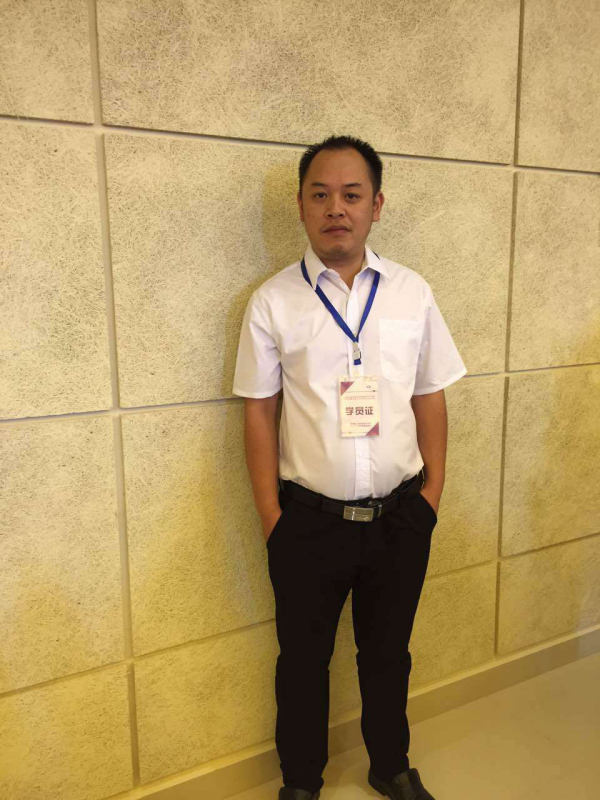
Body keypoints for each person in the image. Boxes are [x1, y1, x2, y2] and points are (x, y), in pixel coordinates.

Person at [232, 135, 467, 800]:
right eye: (321, 194)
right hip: (307, 522)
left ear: (376, 206)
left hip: (400, 516)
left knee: (389, 654)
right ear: (301, 206)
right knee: (302, 661)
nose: (336, 207)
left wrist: (432, 496)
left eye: (352, 194)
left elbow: (430, 395)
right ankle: (301, 781)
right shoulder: (273, 302)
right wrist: (272, 516)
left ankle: (390, 765)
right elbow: (259, 413)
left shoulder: (412, 293)